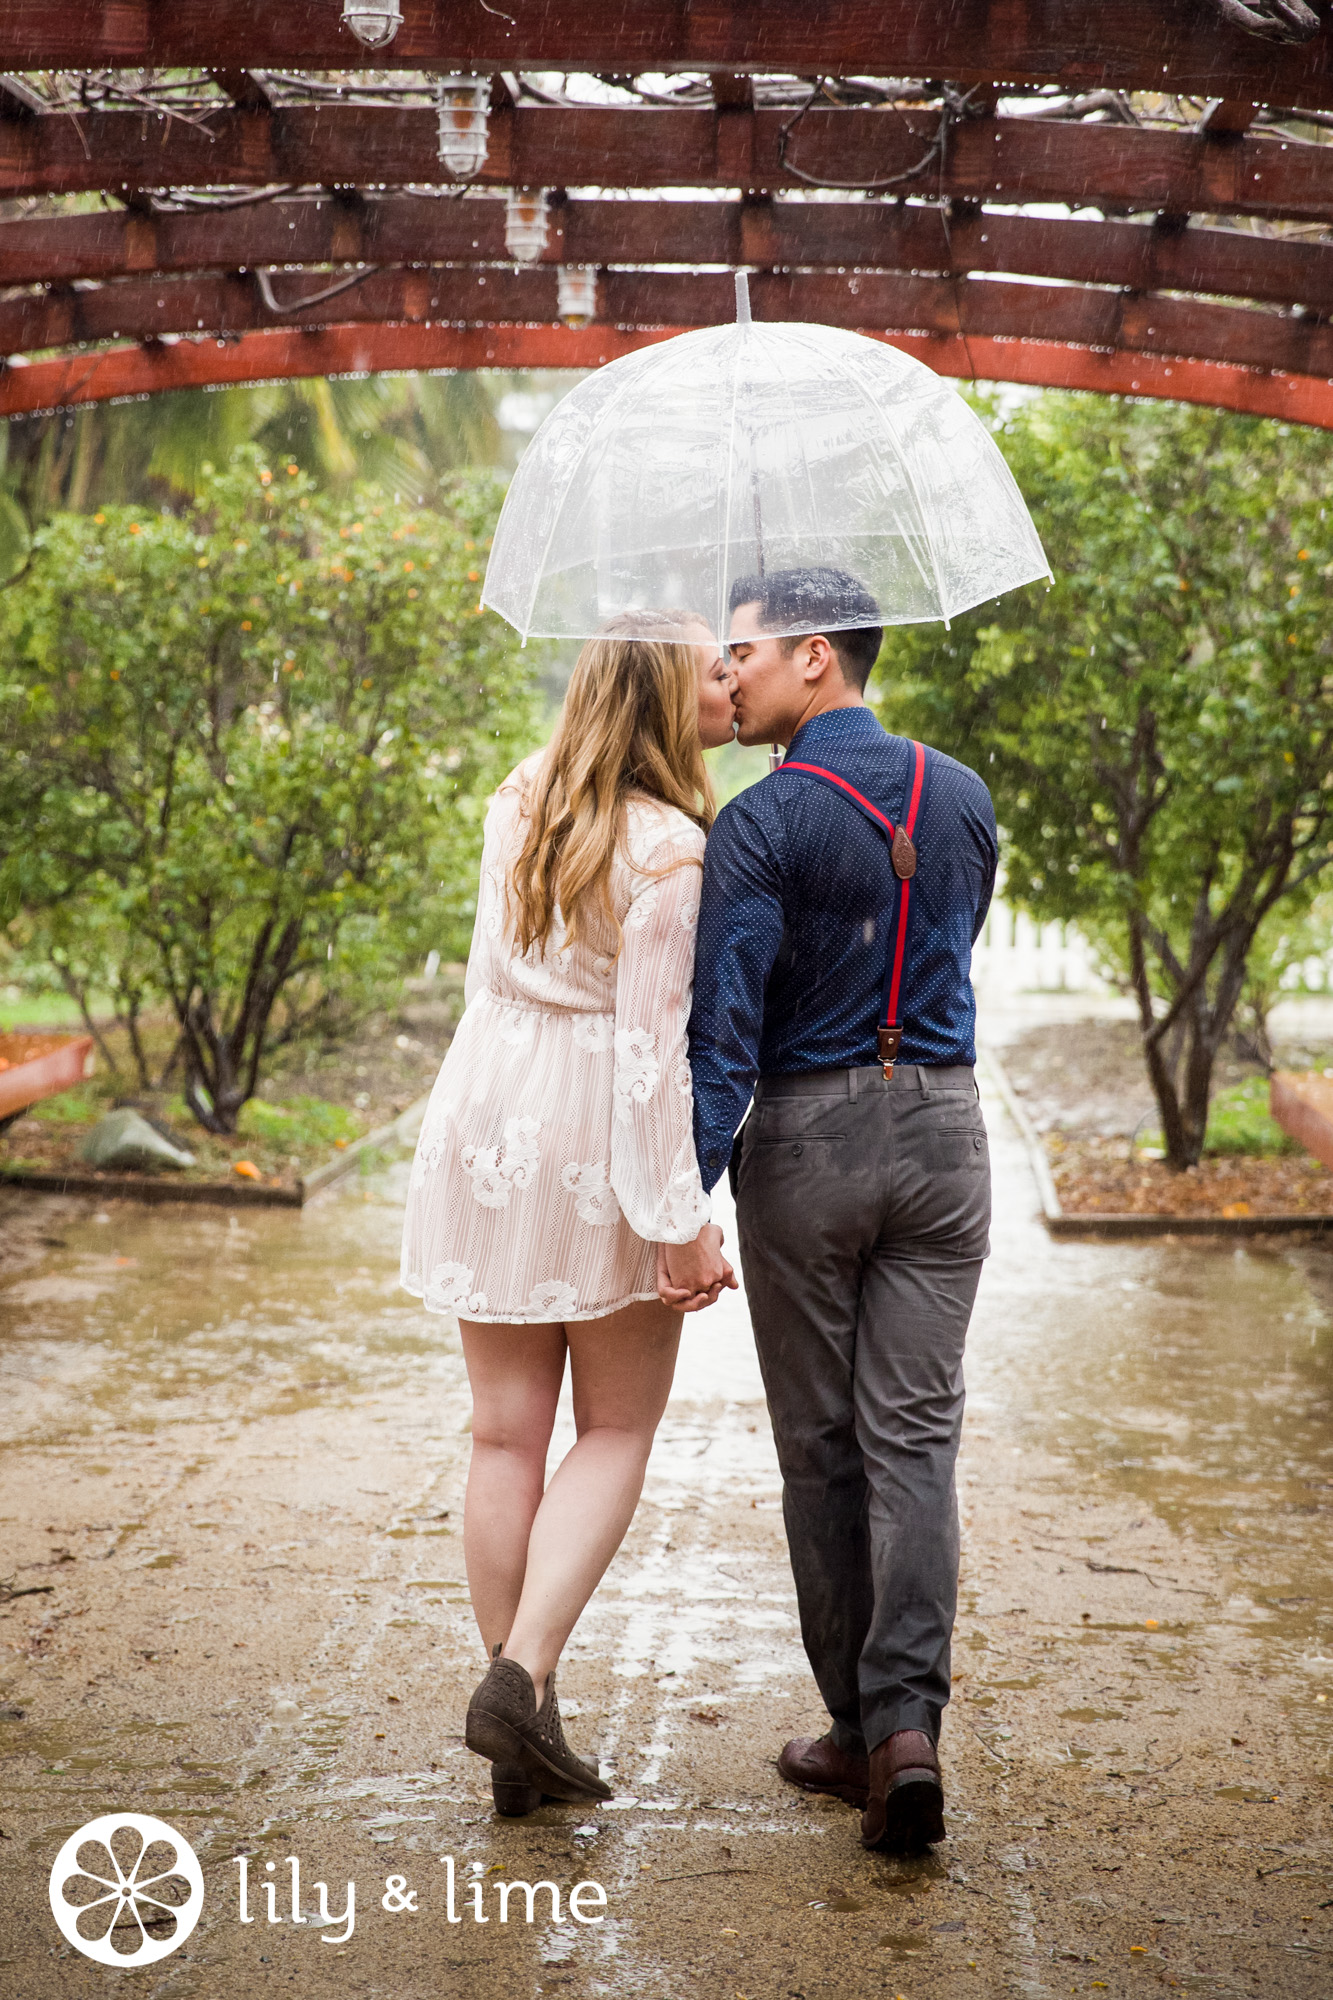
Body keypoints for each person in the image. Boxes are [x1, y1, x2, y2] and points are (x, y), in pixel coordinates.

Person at [401, 612, 737, 1816]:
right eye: (712, 668)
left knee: (501, 1432)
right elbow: (650, 1058)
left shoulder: (518, 799)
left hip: (487, 1116)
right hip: (594, 1137)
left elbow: (497, 967)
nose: (729, 680)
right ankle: (521, 1677)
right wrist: (679, 1218)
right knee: (615, 1426)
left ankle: (523, 1724)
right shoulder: (672, 851)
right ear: (662, 700)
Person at [683, 566, 996, 1853]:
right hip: (944, 1132)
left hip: (807, 1142)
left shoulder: (760, 824)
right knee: (915, 1439)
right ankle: (911, 1723)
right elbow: (947, 939)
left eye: (744, 652)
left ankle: (860, 1734)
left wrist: (682, 1195)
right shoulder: (963, 794)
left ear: (815, 656)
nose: (728, 676)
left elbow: (726, 1033)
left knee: (821, 1446)